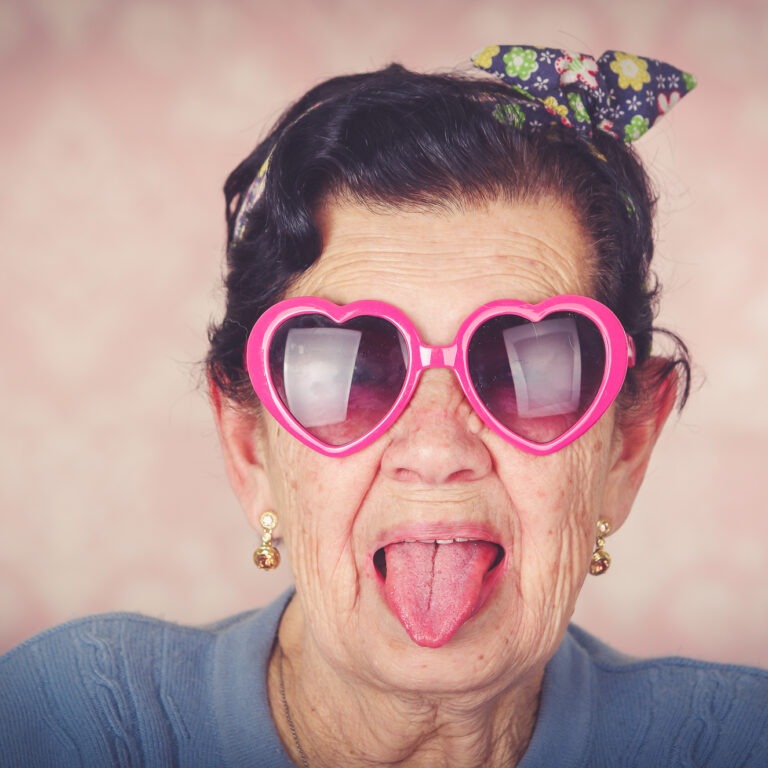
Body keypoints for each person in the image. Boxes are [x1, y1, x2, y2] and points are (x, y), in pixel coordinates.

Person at [2, 45, 767, 768]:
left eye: (521, 366)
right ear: (249, 449)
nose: (436, 450)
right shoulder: (65, 720)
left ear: (625, 449)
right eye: (355, 369)